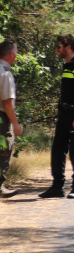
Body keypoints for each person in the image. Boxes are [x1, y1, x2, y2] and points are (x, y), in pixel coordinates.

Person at [40, 34, 74, 199]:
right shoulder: (66, 66)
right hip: (64, 113)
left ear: (68, 47)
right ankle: (57, 186)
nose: (56, 49)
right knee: (58, 150)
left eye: (59, 46)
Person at [0, 40, 22, 198]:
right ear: (11, 54)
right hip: (2, 118)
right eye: (16, 52)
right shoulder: (5, 73)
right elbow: (7, 102)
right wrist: (15, 124)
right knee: (4, 150)